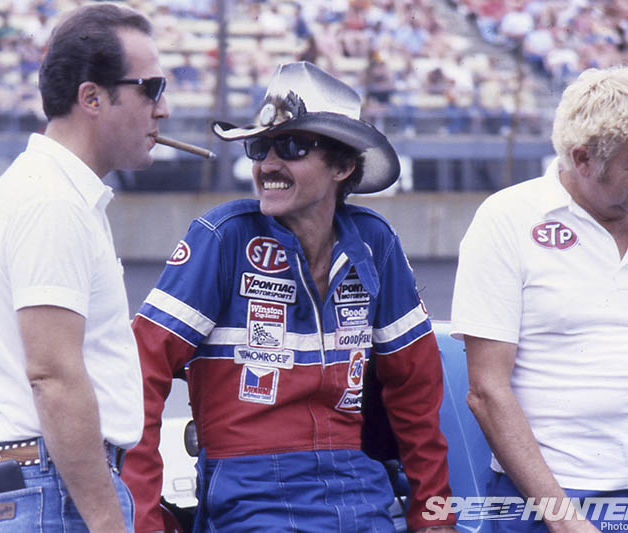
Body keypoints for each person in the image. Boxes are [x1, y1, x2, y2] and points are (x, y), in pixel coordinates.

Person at [122, 61, 457, 532]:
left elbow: (416, 390)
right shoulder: (223, 238)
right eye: (260, 147)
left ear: (343, 166)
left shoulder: (375, 242)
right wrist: (140, 519)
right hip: (248, 495)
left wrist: (434, 514)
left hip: (361, 489)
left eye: (293, 147)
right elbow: (139, 373)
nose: (268, 165)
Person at [450, 58, 628, 531]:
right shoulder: (506, 220)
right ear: (583, 159)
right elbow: (487, 391)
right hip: (555, 494)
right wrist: (564, 519)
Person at [0, 3, 170, 532]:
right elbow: (52, 375)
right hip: (54, 491)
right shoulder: (52, 201)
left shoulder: (48, 190)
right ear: (92, 98)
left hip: (48, 484)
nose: (163, 109)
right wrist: (106, 522)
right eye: (151, 88)